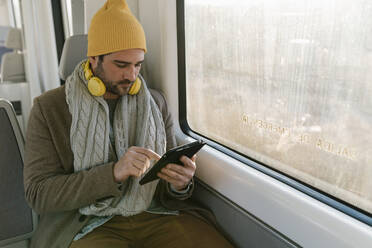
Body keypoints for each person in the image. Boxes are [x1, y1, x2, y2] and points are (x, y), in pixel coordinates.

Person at [23, 0, 234, 247]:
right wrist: (112, 173)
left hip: (155, 213)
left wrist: (179, 183)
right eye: (121, 65)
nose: (132, 76)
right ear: (94, 59)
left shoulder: (155, 102)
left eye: (137, 65)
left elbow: (166, 184)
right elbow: (38, 194)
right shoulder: (49, 109)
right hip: (87, 223)